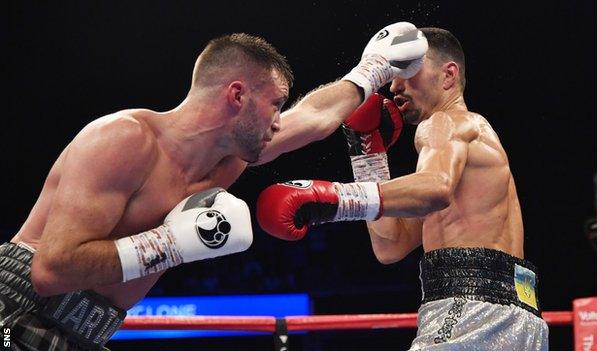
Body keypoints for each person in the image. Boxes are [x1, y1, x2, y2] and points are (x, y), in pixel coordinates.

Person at [0, 24, 428, 350]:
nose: (279, 120)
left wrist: (371, 69)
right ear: (237, 95)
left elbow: (313, 119)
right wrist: (173, 244)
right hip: (16, 309)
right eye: (275, 104)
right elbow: (51, 270)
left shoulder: (230, 159)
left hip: (85, 331)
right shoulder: (123, 140)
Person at [257, 27, 549, 350]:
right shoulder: (468, 144)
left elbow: (435, 188)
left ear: (448, 75)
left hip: (469, 309)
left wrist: (334, 200)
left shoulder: (447, 123)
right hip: (517, 317)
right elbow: (390, 245)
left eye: (408, 71)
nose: (394, 85)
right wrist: (369, 156)